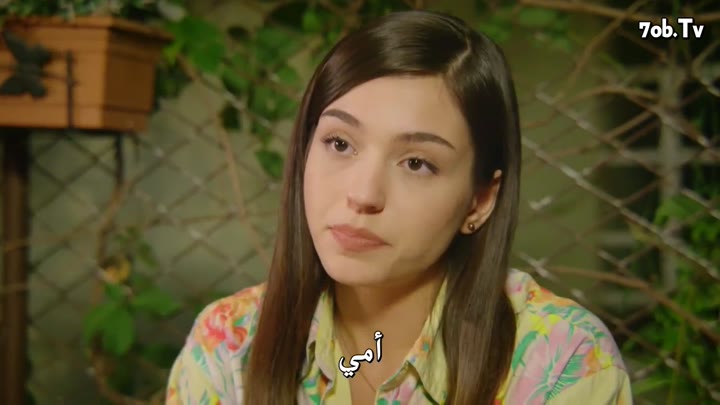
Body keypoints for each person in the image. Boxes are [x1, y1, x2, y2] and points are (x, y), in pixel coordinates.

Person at [165, 10, 632, 405]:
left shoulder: (560, 360)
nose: (363, 194)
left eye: (417, 163)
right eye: (340, 143)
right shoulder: (230, 346)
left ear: (481, 199)